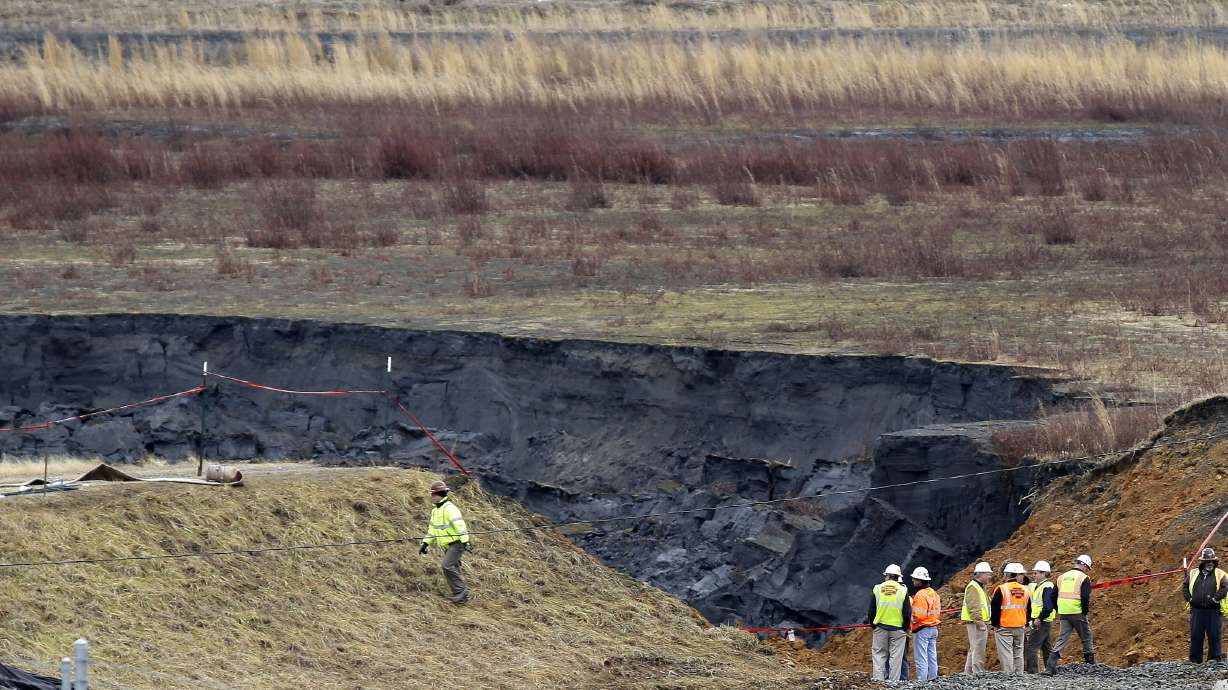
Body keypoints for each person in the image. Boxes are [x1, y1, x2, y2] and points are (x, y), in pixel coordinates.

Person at [419, 480, 471, 604]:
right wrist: (425, 543)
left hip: (457, 543)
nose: (431, 497)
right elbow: (432, 529)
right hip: (448, 545)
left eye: (433, 495)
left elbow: (460, 526)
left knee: (447, 565)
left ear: (439, 494)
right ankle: (461, 599)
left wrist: (466, 542)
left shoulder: (450, 509)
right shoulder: (435, 511)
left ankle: (461, 591)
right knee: (454, 568)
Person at [1044, 554, 1094, 675]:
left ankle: (1050, 667)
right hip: (1077, 612)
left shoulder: (1061, 577)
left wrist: (1058, 608)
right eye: (1087, 567)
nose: (1087, 570)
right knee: (1086, 636)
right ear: (1083, 565)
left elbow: (1052, 595)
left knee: (1062, 638)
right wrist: (1084, 611)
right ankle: (1091, 665)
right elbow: (1085, 597)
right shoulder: (1084, 578)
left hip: (1064, 613)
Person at [1185, 547, 1228, 663]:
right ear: (1202, 562)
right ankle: (1195, 661)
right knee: (1196, 636)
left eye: (1212, 561)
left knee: (1214, 635)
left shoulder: (1220, 574)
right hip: (1197, 611)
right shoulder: (1193, 573)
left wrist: (1214, 599)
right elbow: (1185, 587)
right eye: (1207, 561)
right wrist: (1190, 599)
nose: (1210, 563)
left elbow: (1225, 588)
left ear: (1215, 561)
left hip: (1213, 611)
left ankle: (1214, 659)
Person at [869, 564, 911, 681]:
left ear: (887, 576)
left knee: (879, 655)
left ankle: (878, 682)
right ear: (898, 577)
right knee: (896, 658)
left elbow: (871, 610)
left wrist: (874, 625)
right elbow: (907, 613)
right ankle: (893, 684)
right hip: (898, 630)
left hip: (881, 628)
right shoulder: (903, 590)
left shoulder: (877, 588)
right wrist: (905, 628)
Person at [991, 562, 1030, 674]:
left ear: (1008, 575)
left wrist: (994, 624)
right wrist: (1026, 624)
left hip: (1004, 627)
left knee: (1006, 652)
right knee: (1018, 652)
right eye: (1022, 574)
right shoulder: (1025, 590)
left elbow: (995, 609)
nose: (1023, 577)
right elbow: (1029, 609)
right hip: (1020, 626)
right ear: (1016, 575)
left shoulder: (1001, 589)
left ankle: (1009, 676)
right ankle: (1019, 674)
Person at [961, 561, 993, 674]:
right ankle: (978, 672)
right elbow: (974, 606)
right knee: (978, 648)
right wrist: (980, 622)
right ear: (981, 574)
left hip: (979, 622)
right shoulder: (973, 587)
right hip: (976, 623)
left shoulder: (980, 586)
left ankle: (968, 672)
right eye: (988, 574)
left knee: (974, 648)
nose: (990, 577)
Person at [1025, 560, 1057, 674]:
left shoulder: (1047, 586)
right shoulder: (1040, 585)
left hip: (1041, 621)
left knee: (1032, 647)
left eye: (1036, 573)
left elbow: (1048, 606)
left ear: (1043, 573)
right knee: (1046, 646)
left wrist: (1039, 618)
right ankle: (1051, 669)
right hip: (1045, 621)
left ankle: (1032, 672)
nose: (1034, 575)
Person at [910, 566, 941, 681]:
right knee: (932, 656)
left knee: (921, 657)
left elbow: (918, 616)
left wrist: (910, 620)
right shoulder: (934, 593)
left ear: (920, 580)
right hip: (933, 628)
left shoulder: (920, 595)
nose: (913, 581)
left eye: (915, 579)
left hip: (922, 629)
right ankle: (933, 677)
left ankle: (922, 681)